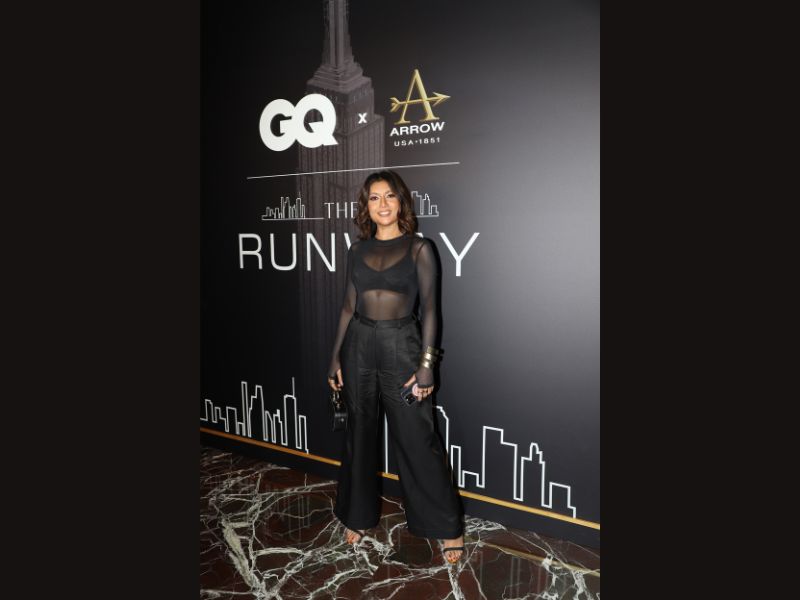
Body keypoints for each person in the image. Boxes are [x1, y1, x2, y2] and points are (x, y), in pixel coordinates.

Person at [327, 170, 466, 564]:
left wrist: (427, 367)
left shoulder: (420, 248)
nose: (383, 204)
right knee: (359, 435)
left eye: (389, 196)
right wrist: (334, 357)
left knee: (418, 439)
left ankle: (447, 525)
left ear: (401, 201)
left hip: (401, 347)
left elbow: (432, 310)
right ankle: (357, 516)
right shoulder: (357, 250)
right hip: (358, 348)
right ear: (366, 206)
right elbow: (348, 307)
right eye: (374, 198)